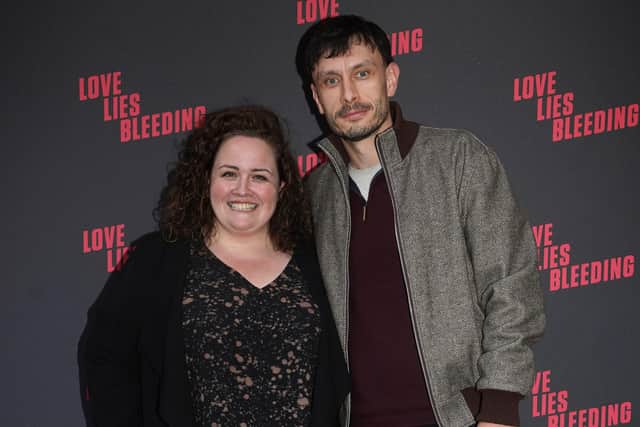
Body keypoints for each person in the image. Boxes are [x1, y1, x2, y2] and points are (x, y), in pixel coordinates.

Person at [296, 15, 545, 427]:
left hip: (462, 419)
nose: (350, 94)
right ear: (316, 97)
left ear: (390, 79)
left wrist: (499, 408)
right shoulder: (315, 194)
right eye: (331, 80)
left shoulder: (458, 158)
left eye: (362, 73)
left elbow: (511, 283)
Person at [77, 105, 349, 427]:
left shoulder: (318, 263)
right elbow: (105, 359)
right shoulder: (155, 260)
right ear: (208, 179)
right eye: (229, 173)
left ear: (282, 187)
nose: (242, 189)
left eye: (259, 176)